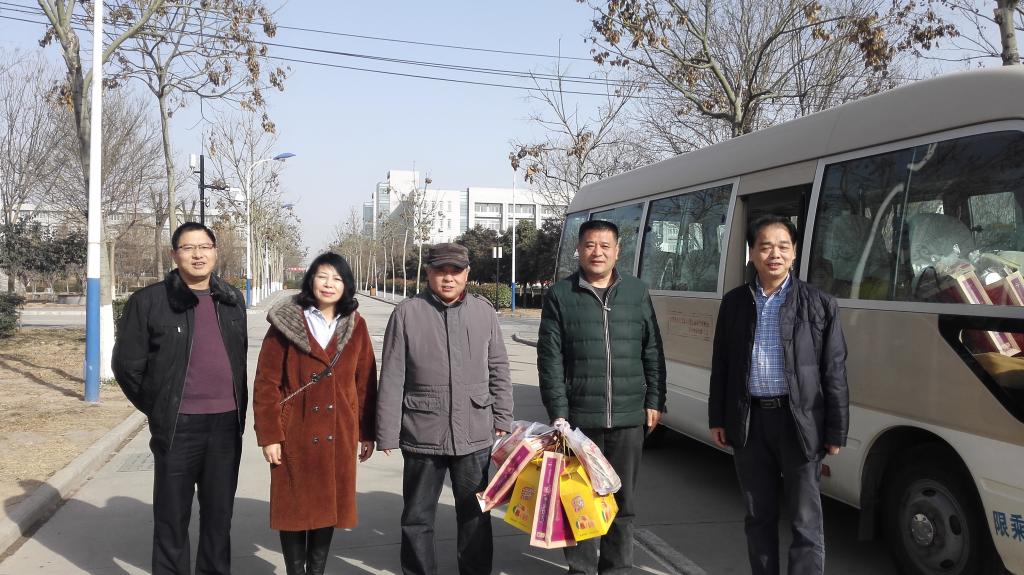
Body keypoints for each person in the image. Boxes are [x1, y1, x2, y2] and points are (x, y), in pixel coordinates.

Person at [708, 215, 849, 575]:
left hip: (799, 422)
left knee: (805, 520)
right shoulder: (735, 303)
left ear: (794, 252)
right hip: (750, 422)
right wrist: (718, 417)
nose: (775, 254)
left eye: (783, 246)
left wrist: (836, 430)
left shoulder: (819, 303)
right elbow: (722, 364)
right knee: (758, 516)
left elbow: (834, 371)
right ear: (752, 252)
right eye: (765, 246)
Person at [112, 222, 248, 575]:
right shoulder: (149, 301)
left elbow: (239, 360)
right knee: (171, 518)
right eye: (188, 248)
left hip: (226, 425)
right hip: (178, 427)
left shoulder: (232, 299)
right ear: (174, 254)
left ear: (215, 251)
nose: (197, 255)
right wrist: (161, 406)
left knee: (219, 517)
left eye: (204, 247)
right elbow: (127, 366)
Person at [537, 219, 666, 575]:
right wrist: (559, 412)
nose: (598, 252)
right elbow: (550, 359)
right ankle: (581, 569)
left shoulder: (637, 292)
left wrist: (655, 399)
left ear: (617, 251)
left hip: (628, 417)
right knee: (579, 500)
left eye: (605, 245)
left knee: (623, 504)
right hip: (580, 421)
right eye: (590, 245)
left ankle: (616, 568)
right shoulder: (560, 295)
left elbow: (652, 350)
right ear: (579, 249)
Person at [376, 242, 514, 575]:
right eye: (441, 271)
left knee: (475, 513)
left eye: (455, 271)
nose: (448, 278)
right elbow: (392, 375)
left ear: (467, 274)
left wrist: (503, 415)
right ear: (429, 273)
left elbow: (498, 366)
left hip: (474, 431)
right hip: (422, 431)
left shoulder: (483, 312)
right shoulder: (407, 313)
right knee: (417, 516)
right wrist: (387, 432)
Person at [252, 252, 377, 575]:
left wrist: (367, 432)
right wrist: (269, 436)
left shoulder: (356, 325)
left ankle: (316, 571)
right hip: (294, 430)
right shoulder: (286, 323)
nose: (329, 284)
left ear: (346, 285)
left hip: (339, 431)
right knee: (293, 508)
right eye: (322, 276)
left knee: (327, 506)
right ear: (311, 280)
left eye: (337, 278)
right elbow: (266, 383)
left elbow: (365, 383)